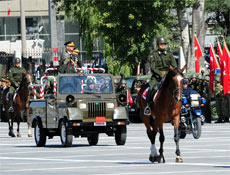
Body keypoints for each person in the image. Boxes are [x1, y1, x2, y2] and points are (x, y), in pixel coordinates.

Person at [144, 37, 177, 115]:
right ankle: (148, 106)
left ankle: (180, 106)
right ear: (158, 44)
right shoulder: (153, 54)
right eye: (161, 44)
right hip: (157, 77)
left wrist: (170, 72)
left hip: (168, 76)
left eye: (164, 44)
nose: (163, 45)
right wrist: (160, 74)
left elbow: (174, 65)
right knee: (152, 88)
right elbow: (153, 67)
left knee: (177, 88)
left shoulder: (169, 54)